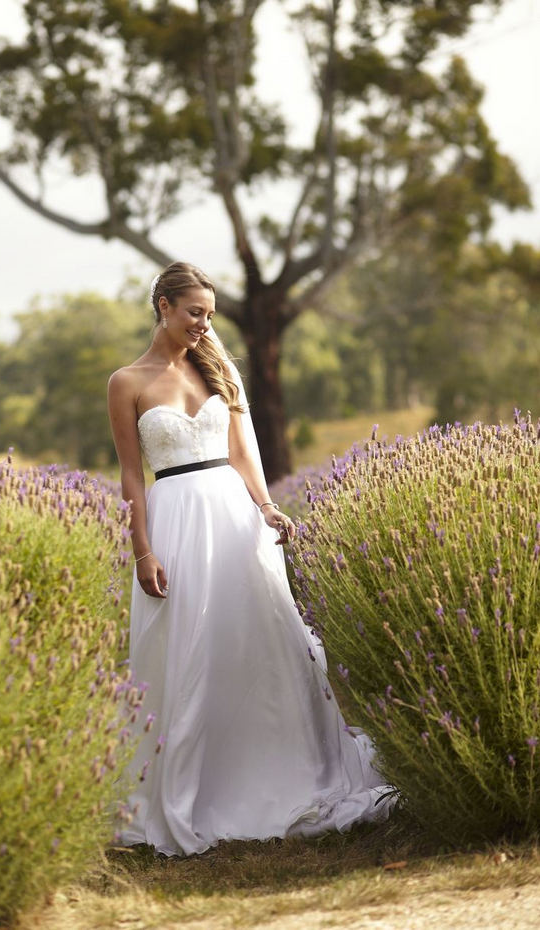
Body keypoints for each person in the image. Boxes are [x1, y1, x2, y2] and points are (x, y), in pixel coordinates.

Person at [107, 261, 394, 857]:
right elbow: (132, 477)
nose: (203, 324)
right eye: (194, 313)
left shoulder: (218, 369)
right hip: (174, 519)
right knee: (188, 650)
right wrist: (143, 550)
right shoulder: (126, 382)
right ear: (163, 305)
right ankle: (190, 787)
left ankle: (276, 769)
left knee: (257, 641)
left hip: (231, 515)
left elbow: (242, 450)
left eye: (209, 314)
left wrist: (265, 507)